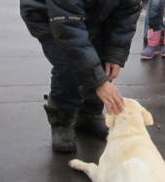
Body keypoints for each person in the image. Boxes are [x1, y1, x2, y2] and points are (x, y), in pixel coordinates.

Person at [20, 0, 142, 153]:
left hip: (93, 11)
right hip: (47, 13)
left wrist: (115, 54)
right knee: (69, 64)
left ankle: (89, 113)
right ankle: (62, 120)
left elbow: (128, 12)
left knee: (102, 58)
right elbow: (68, 29)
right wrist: (99, 83)